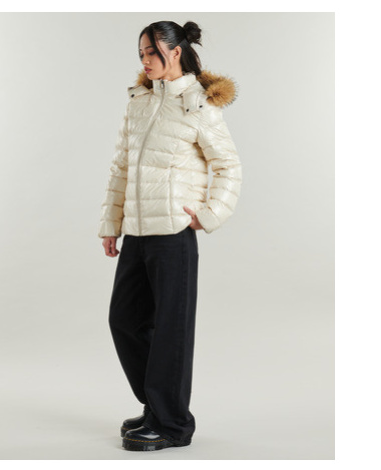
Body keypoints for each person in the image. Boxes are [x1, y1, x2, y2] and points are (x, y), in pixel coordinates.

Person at [98, 20, 243, 451]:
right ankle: (157, 406)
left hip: (173, 235)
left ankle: (173, 424)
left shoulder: (198, 103)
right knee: (124, 321)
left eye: (152, 52)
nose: (145, 61)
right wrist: (111, 224)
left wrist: (208, 214)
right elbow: (121, 166)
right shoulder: (140, 101)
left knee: (170, 332)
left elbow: (228, 166)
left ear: (175, 51)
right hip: (138, 232)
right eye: (141, 53)